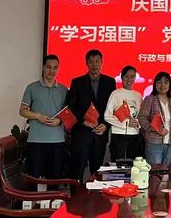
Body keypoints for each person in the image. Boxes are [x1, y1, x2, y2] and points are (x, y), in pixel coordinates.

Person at [66, 49, 116, 181]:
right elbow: (71, 107)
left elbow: (112, 108)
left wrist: (106, 125)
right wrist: (83, 121)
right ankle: (75, 194)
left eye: (97, 61)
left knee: (97, 174)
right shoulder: (77, 82)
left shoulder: (110, 82)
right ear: (86, 63)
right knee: (77, 172)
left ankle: (95, 195)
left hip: (100, 134)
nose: (94, 64)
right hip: (81, 134)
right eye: (91, 61)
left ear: (102, 62)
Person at [19, 54, 68, 180]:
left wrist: (59, 120)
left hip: (57, 141)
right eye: (48, 67)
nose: (52, 71)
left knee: (55, 179)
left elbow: (67, 113)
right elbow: (22, 111)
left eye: (55, 68)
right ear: (43, 67)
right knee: (33, 178)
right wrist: (37, 116)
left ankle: (53, 195)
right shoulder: (32, 88)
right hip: (36, 140)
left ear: (58, 69)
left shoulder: (64, 90)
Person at [138, 71, 171, 165]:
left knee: (166, 171)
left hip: (170, 143)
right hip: (154, 142)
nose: (163, 85)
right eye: (159, 82)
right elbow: (141, 118)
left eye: (166, 82)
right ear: (155, 84)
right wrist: (155, 129)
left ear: (169, 84)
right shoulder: (150, 99)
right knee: (155, 171)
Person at [104, 65, 143, 162]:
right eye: (126, 76)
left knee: (134, 165)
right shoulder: (115, 94)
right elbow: (107, 116)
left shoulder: (138, 95)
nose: (129, 79)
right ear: (122, 77)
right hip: (118, 134)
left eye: (132, 76)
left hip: (134, 135)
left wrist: (137, 123)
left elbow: (142, 116)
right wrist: (125, 123)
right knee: (118, 164)